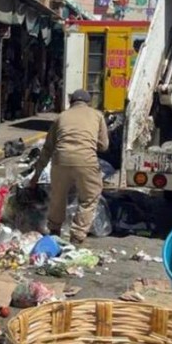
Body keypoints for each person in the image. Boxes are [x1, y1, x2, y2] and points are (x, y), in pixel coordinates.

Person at [29, 89, 109, 245]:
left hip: (61, 160)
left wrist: (36, 176)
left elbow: (47, 149)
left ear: (71, 102)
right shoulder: (97, 115)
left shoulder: (61, 116)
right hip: (86, 161)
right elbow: (104, 145)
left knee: (58, 197)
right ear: (88, 102)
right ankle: (77, 235)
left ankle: (54, 230)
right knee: (89, 199)